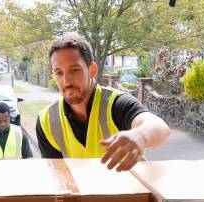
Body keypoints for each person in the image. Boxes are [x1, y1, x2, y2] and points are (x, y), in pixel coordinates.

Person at [36, 33, 170, 171]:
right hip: (78, 191)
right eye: (59, 73)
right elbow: (57, 175)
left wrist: (140, 136)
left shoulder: (117, 104)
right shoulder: (47, 120)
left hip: (127, 191)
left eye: (74, 70)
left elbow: (160, 127)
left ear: (92, 70)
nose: (66, 81)